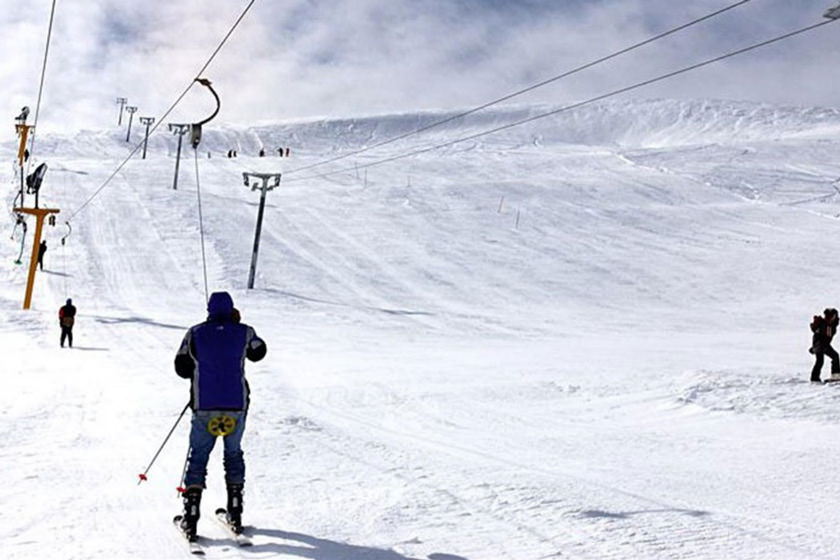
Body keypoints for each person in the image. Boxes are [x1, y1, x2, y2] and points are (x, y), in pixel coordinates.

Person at [174, 292, 266, 540]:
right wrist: (235, 328)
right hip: (236, 406)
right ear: (231, 309)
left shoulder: (194, 333)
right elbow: (259, 352)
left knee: (198, 458)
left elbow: (181, 368)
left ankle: (190, 518)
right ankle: (235, 513)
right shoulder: (245, 331)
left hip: (205, 406)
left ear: (209, 309)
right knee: (233, 454)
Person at [810, 308, 840, 382]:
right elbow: (825, 336)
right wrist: (818, 347)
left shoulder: (827, 324)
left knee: (820, 361)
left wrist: (814, 347)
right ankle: (835, 375)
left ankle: (814, 378)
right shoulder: (828, 325)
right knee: (835, 357)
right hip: (822, 345)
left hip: (820, 344)